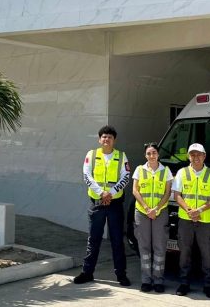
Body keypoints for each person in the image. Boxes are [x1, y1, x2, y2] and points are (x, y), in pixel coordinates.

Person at [73, 125, 131, 286]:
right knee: (93, 239)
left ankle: (121, 275)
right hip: (97, 203)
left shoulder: (121, 156)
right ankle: (87, 273)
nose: (107, 139)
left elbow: (125, 176)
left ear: (114, 140)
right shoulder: (91, 155)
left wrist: (110, 193)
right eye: (104, 137)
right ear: (99, 139)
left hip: (115, 204)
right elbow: (87, 176)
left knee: (117, 240)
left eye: (110, 137)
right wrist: (101, 193)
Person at [173, 143, 210, 299]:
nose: (196, 157)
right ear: (188, 157)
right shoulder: (182, 172)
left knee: (207, 254)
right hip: (186, 219)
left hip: (205, 220)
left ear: (204, 156)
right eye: (192, 154)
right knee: (184, 253)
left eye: (199, 154)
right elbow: (177, 195)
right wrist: (189, 210)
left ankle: (208, 285)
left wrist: (199, 210)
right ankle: (184, 283)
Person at [132, 142, 173, 293]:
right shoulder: (139, 170)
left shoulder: (166, 171)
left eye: (154, 152)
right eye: (149, 153)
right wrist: (147, 208)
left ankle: (158, 280)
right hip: (142, 212)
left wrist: (156, 209)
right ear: (145, 155)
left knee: (159, 247)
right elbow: (135, 191)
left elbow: (168, 193)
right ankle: (146, 280)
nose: (151, 156)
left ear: (158, 154)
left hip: (160, 212)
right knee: (144, 247)